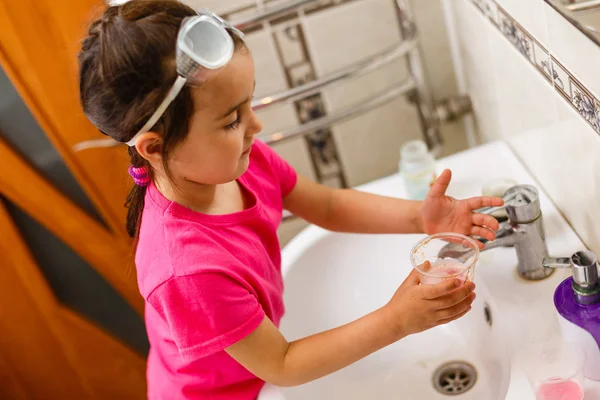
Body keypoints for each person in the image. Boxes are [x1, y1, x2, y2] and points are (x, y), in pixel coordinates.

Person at [77, 1, 503, 399]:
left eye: (248, 106)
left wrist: (420, 218)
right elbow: (282, 364)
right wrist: (397, 320)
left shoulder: (240, 163)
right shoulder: (185, 271)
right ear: (154, 146)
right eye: (231, 120)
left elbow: (329, 207)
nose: (255, 126)